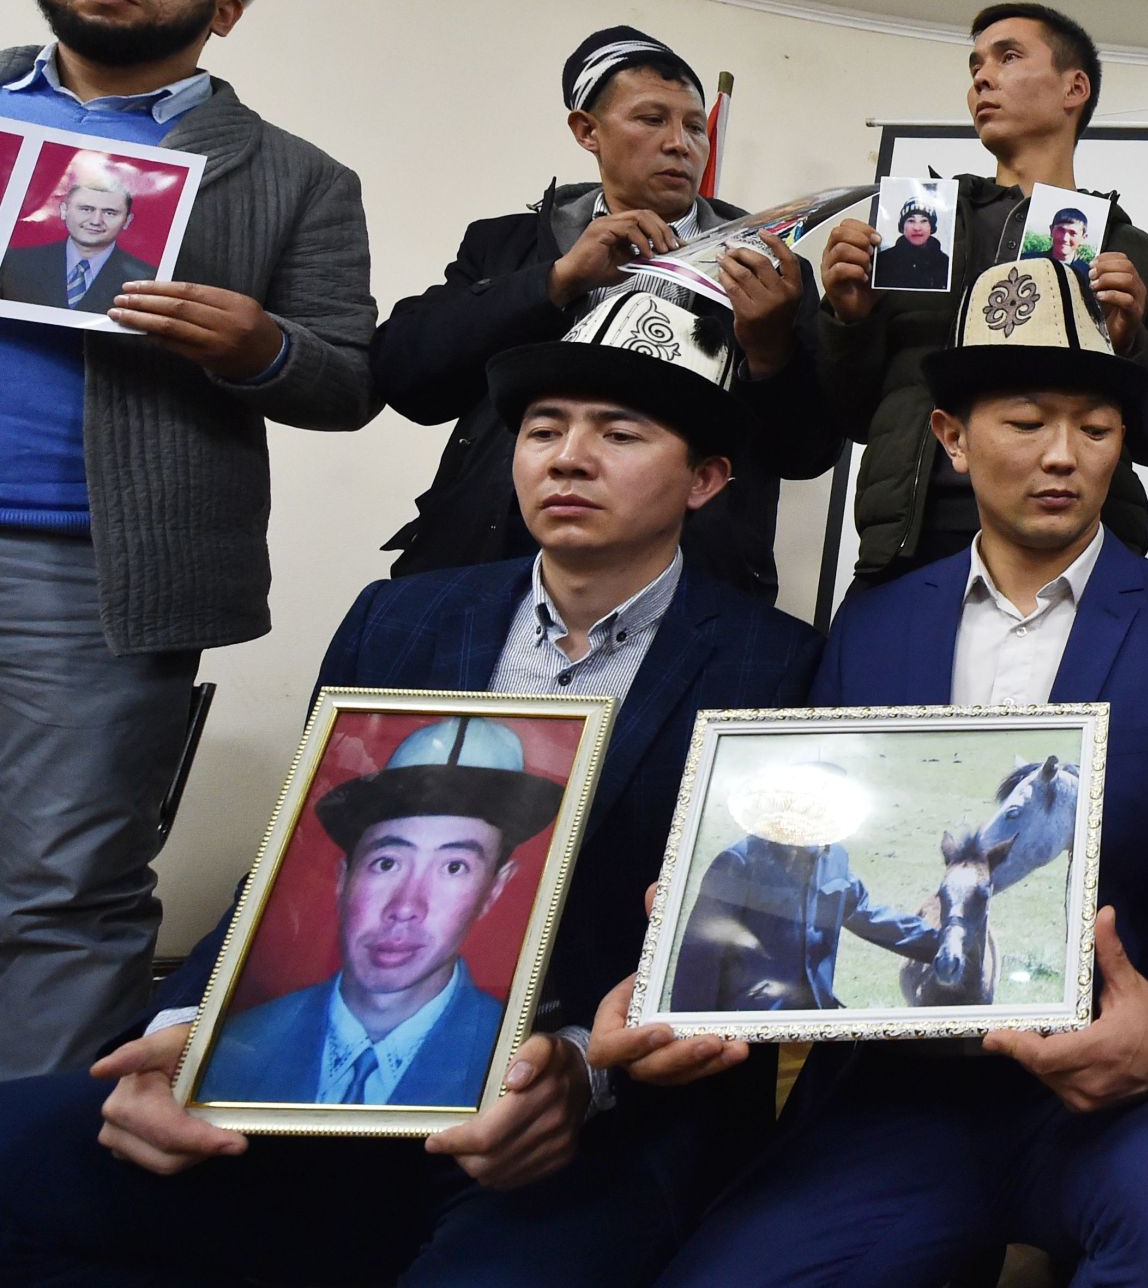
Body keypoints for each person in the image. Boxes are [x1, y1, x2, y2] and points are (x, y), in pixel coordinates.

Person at [0, 286, 825, 1284]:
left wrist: (578, 1068)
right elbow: (292, 867)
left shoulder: (778, 665)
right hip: (320, 1080)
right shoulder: (401, 619)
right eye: (542, 429)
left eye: (619, 433)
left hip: (576, 1115)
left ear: (706, 480)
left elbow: (738, 950)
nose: (566, 457)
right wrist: (186, 1034)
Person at [656, 258, 1148, 1286]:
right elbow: (810, 845)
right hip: (901, 1087)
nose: (1062, 457)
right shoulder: (875, 625)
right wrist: (715, 927)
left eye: (1097, 428)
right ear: (950, 436)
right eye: (1025, 422)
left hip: (1111, 1078)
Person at [0, 0, 380, 1080]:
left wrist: (260, 346)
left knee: (61, 882)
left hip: (100, 576)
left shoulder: (297, 177)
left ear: (223, 7)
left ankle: (25, 1181)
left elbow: (348, 378)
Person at [371, 25, 838, 603]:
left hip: (690, 591)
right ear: (587, 130)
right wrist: (556, 280)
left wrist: (770, 354)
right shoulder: (506, 246)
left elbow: (808, 454)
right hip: (480, 568)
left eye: (695, 126)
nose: (681, 143)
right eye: (651, 120)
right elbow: (406, 378)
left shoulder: (763, 262)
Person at [812, 2, 1148, 588]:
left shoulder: (1133, 253)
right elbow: (852, 417)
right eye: (975, 66)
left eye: (1008, 57)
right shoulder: (914, 225)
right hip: (907, 548)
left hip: (1080, 554)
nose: (982, 78)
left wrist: (1126, 344)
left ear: (1074, 87)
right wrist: (847, 320)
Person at [195, 716, 559, 1107]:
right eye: (387, 863)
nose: (405, 908)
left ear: (494, 888)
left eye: (454, 867)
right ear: (343, 877)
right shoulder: (236, 1046)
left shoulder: (516, 1057)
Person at [667, 759, 940, 1013]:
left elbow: (865, 915)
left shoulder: (836, 857)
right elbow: (701, 955)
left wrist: (945, 945)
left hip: (816, 1011)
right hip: (750, 1018)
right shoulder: (739, 860)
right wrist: (689, 1027)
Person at [0, 153, 157, 310]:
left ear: (127, 220)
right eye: (86, 209)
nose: (96, 221)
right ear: (64, 210)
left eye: (109, 213)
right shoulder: (14, 263)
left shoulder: (147, 279)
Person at [870, 197, 950, 290]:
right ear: (902, 227)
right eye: (911, 221)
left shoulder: (945, 263)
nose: (917, 228)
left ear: (931, 228)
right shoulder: (882, 262)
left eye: (924, 221)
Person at [1043, 203, 1092, 289]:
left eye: (1073, 233)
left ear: (1083, 238)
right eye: (1060, 230)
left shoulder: (1088, 275)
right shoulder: (1028, 261)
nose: (1065, 238)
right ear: (1051, 230)